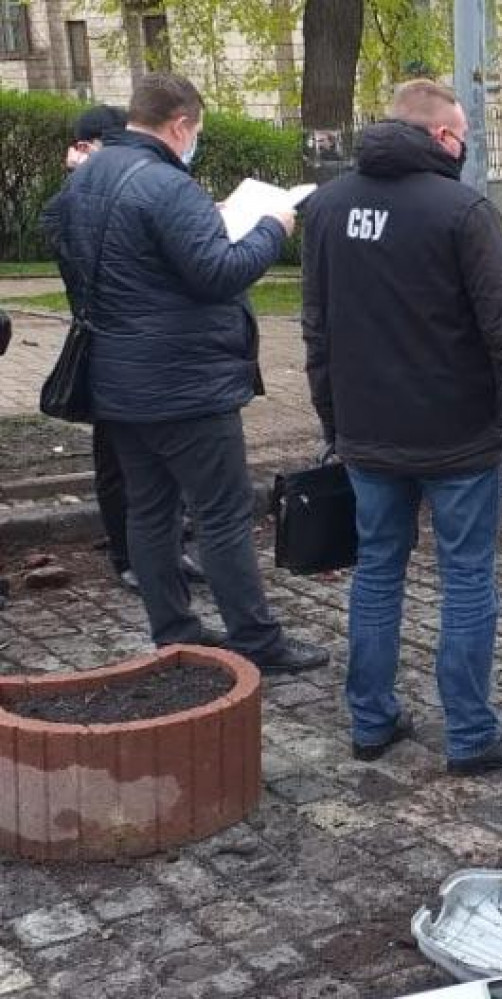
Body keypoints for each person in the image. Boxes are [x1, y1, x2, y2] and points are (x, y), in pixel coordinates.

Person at [301, 80, 502, 775]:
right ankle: (470, 734)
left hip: (367, 433)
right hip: (457, 437)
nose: (466, 146)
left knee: (376, 571)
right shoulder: (463, 211)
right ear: (443, 137)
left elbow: (316, 328)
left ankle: (371, 720)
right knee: (468, 578)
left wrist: (333, 419)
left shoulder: (326, 206)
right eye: (464, 135)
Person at [45, 72, 328, 675]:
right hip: (185, 387)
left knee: (149, 511)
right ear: (179, 125)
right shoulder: (166, 186)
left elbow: (97, 248)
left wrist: (206, 219)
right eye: (194, 131)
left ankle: (173, 632)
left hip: (117, 382)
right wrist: (271, 227)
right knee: (222, 513)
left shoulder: (89, 175)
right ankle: (257, 641)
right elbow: (219, 273)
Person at [45, 104, 203, 593]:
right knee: (116, 458)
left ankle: (172, 545)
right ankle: (126, 553)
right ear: (85, 148)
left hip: (157, 349)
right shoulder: (75, 196)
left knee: (165, 458)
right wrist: (78, 181)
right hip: (105, 345)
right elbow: (65, 245)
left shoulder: (142, 185)